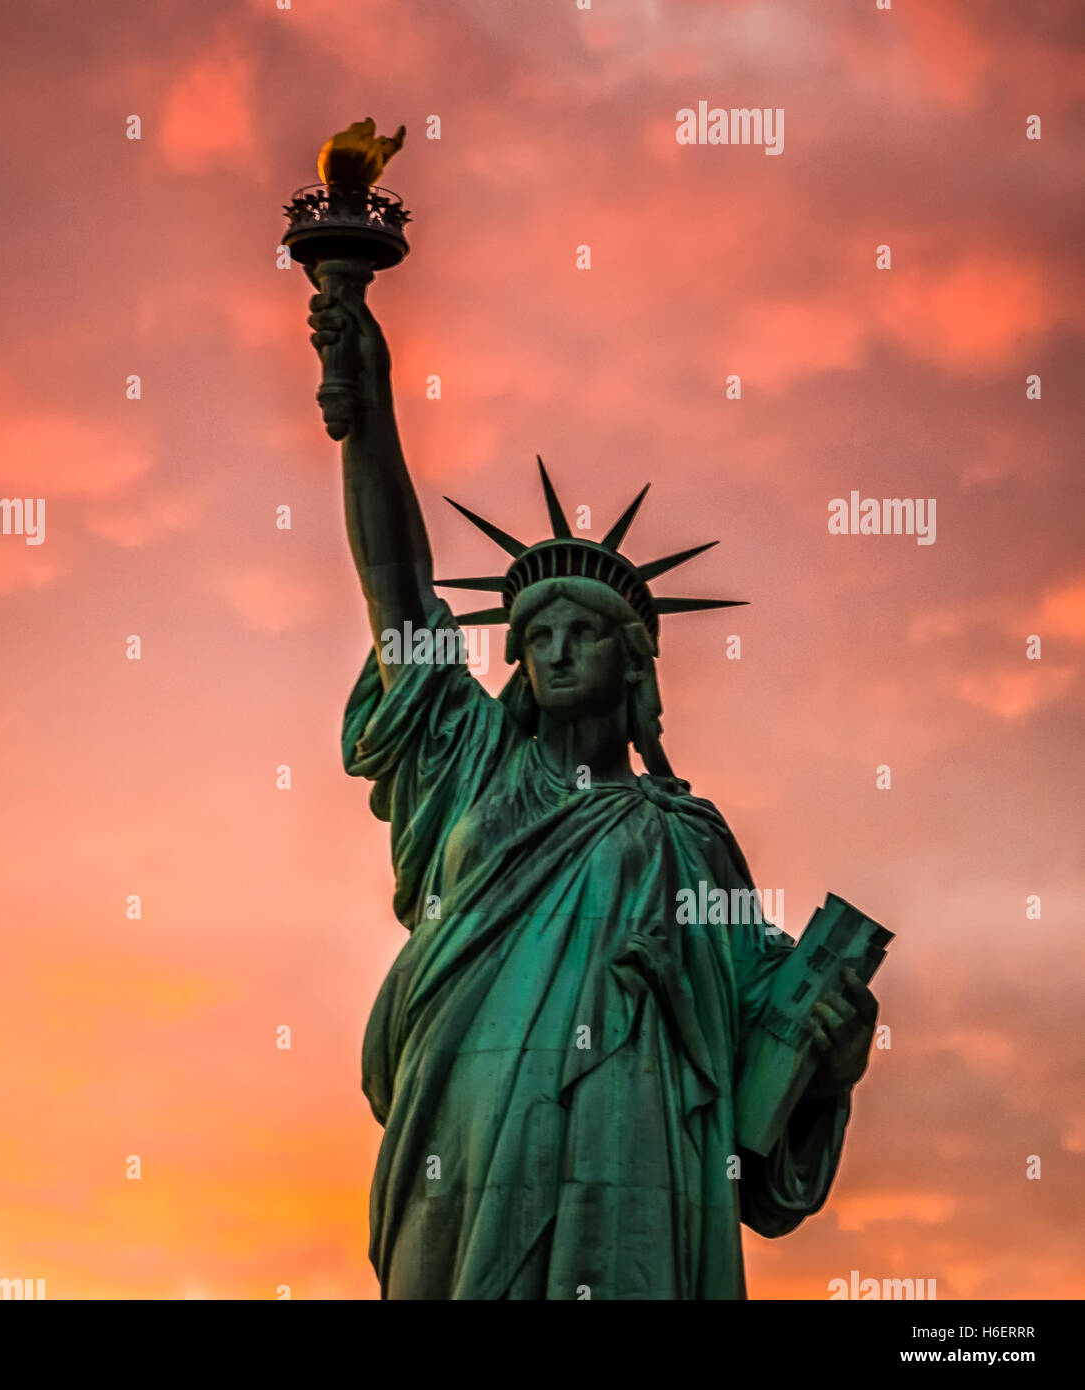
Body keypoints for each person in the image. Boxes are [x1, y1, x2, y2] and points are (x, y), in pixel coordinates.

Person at [306, 277, 878, 1300]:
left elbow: (753, 1033)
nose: (557, 651)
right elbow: (398, 593)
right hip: (463, 1116)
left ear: (636, 664)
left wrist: (829, 1051)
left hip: (636, 1144)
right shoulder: (468, 762)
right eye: (536, 637)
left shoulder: (688, 838)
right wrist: (370, 415)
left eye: (583, 633)